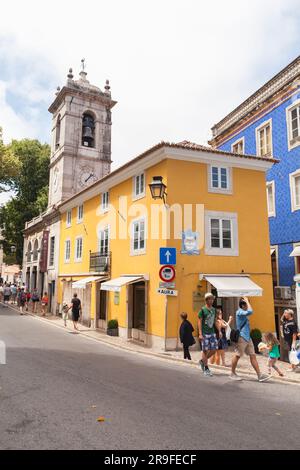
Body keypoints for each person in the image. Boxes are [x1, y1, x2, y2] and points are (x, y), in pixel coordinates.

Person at [230, 297, 270, 382]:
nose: (248, 305)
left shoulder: (244, 312)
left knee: (253, 355)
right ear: (243, 304)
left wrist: (247, 301)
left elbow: (249, 311)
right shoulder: (239, 312)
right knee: (237, 355)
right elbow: (251, 311)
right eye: (247, 304)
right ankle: (232, 373)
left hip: (248, 337)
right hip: (242, 337)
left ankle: (259, 375)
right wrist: (247, 301)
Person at [198, 293, 219, 377]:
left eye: (212, 299)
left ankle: (203, 361)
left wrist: (219, 331)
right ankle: (206, 368)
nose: (212, 300)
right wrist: (200, 333)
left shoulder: (214, 310)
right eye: (210, 299)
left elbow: (215, 321)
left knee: (214, 350)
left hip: (212, 332)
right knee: (205, 350)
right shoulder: (202, 310)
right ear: (206, 300)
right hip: (204, 333)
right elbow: (199, 322)